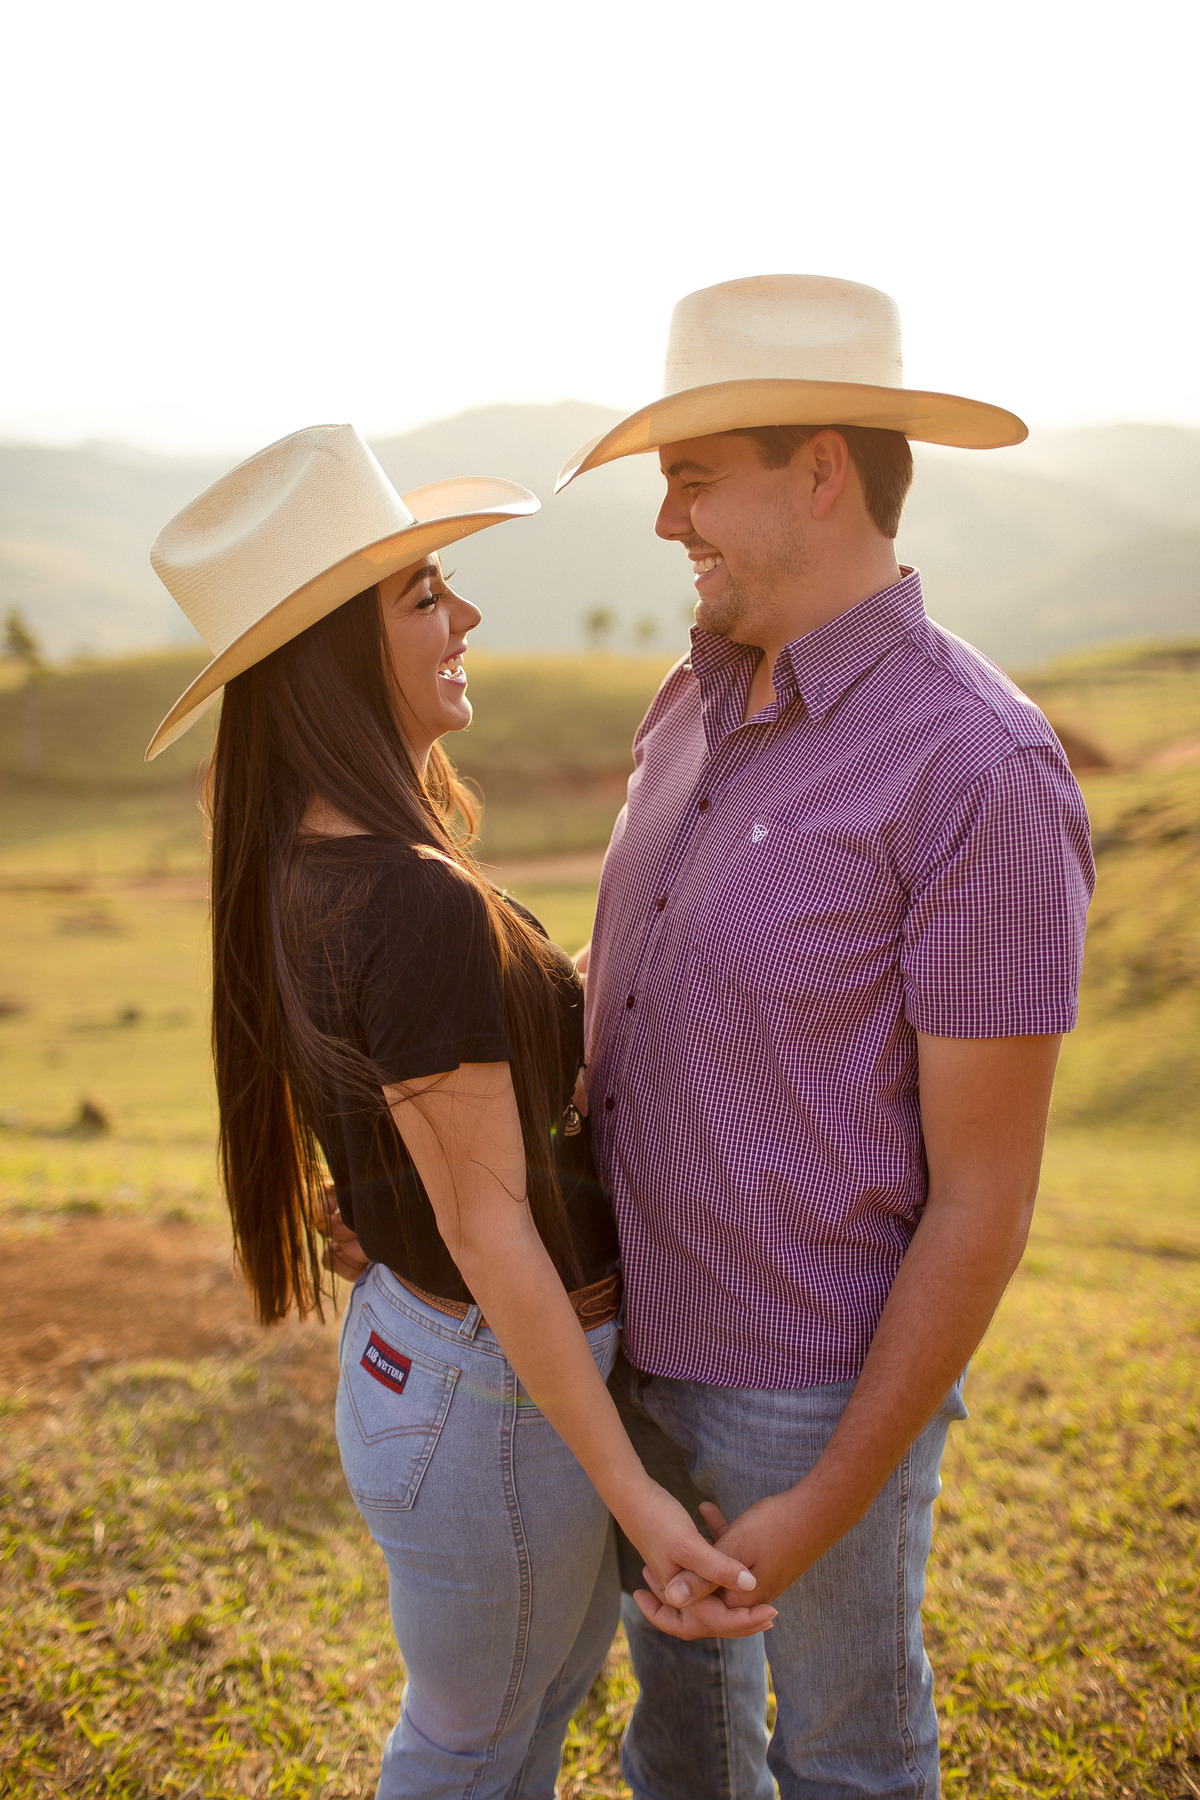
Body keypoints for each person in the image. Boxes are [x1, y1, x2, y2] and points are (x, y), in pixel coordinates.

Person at [144, 424, 772, 1800]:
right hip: (492, 1389)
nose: (465, 613)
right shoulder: (413, 900)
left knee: (513, 1726)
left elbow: (444, 1112)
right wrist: (640, 1500)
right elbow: (496, 1239)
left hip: (440, 1368)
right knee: (480, 1746)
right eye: (423, 591)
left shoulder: (312, 861)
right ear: (329, 659)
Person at [555, 275, 1096, 1799]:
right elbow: (639, 978)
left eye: (691, 478)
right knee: (682, 1749)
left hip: (811, 1398)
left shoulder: (981, 774)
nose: (668, 523)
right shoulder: (695, 694)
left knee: (851, 1760)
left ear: (820, 471)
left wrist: (832, 1492)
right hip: (634, 1352)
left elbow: (987, 1201)